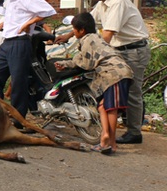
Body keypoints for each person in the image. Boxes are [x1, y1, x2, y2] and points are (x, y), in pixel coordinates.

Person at [54, 12, 133, 154]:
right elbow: (80, 59)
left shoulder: (87, 40)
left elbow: (85, 64)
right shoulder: (94, 38)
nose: (73, 32)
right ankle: (106, 136)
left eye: (74, 29)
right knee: (103, 107)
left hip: (115, 73)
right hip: (117, 73)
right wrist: (66, 64)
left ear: (81, 30)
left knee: (111, 109)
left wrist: (66, 65)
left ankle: (110, 142)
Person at [88, 0, 151, 144]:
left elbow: (107, 35)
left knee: (132, 91)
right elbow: (87, 21)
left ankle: (134, 132)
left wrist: (91, 51)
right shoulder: (102, 3)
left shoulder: (117, 2)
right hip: (120, 50)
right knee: (114, 88)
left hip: (134, 51)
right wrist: (67, 35)